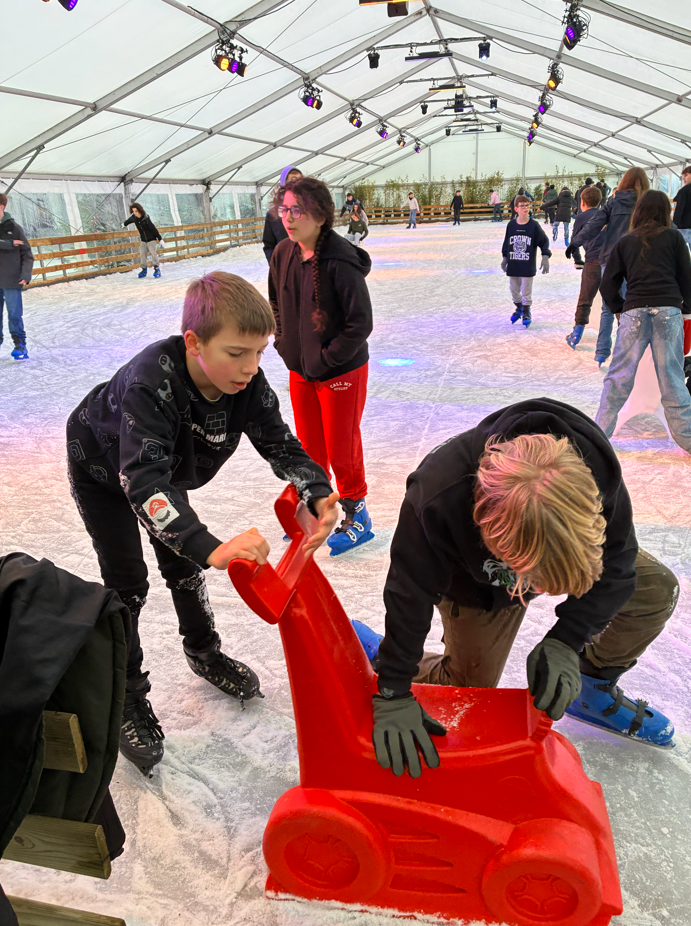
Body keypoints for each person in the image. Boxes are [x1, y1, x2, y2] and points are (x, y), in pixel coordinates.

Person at [66, 271, 339, 775]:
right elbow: (143, 484)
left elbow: (279, 442)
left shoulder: (247, 383)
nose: (250, 367)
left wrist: (316, 489)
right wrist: (209, 545)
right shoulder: (151, 384)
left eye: (260, 352)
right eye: (236, 353)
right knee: (128, 583)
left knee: (183, 568)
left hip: (161, 471)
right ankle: (127, 695)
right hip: (103, 470)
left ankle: (204, 652)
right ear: (194, 342)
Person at [358, 398, 679, 778]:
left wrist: (566, 640)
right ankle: (378, 650)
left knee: (657, 590)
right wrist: (393, 688)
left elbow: (619, 563)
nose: (536, 592)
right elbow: (408, 593)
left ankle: (593, 684)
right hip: (474, 582)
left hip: (565, 546)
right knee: (470, 688)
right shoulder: (436, 496)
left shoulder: (595, 466)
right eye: (532, 580)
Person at [269, 176, 374, 556]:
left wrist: (327, 358)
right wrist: (285, 346)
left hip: (341, 371)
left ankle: (358, 512)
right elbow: (276, 304)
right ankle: (318, 507)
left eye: (297, 210)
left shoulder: (340, 260)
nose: (288, 218)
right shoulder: (283, 253)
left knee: (341, 447)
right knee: (310, 446)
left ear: (320, 215)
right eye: (284, 209)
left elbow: (360, 323)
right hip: (301, 370)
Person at [595, 190, 691, 453]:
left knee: (618, 378)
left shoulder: (626, 241)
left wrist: (619, 308)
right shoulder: (674, 238)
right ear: (665, 212)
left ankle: (597, 438)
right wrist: (686, 311)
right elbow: (687, 278)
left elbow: (607, 284)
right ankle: (688, 439)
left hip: (634, 313)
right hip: (668, 313)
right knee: (672, 380)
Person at [570, 166, 650, 366]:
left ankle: (602, 351)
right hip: (637, 261)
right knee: (633, 306)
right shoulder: (646, 203)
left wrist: (576, 241)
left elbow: (594, 224)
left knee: (608, 307)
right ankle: (628, 350)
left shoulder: (613, 202)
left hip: (611, 259)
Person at [501, 195, 551, 328]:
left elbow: (544, 242)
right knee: (514, 290)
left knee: (526, 290)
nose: (525, 208)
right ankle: (519, 308)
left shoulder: (533, 226)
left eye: (527, 205)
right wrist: (505, 257)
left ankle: (526, 311)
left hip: (527, 264)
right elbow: (507, 242)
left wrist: (545, 256)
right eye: (522, 205)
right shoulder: (511, 225)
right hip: (514, 263)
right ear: (516, 208)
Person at [564, 185, 605, 349]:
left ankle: (576, 333)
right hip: (610, 261)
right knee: (613, 299)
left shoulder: (582, 217)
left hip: (593, 261)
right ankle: (625, 332)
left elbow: (576, 239)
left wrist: (577, 259)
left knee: (585, 299)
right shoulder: (604, 214)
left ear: (582, 202)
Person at [0, 193, 33, 361]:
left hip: (11, 279)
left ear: (1, 207)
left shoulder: (14, 228)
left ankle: (20, 344)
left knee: (14, 314)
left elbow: (27, 254)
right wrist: (8, 244)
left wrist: (25, 274)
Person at [263, 165, 303, 264]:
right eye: (292, 182)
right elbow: (269, 245)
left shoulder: (309, 211)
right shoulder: (272, 215)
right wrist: (275, 265)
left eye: (300, 182)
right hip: (285, 265)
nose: (296, 186)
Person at [123, 203, 162, 279]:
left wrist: (160, 238)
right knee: (142, 255)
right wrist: (124, 224)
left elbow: (153, 228)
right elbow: (128, 221)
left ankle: (157, 269)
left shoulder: (146, 218)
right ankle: (144, 270)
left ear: (140, 210)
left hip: (151, 239)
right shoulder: (134, 218)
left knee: (153, 253)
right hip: (143, 240)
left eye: (136, 211)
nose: (135, 213)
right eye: (133, 211)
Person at [672, 164, 691, 249]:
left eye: (686, 175)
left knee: (679, 251)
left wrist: (674, 225)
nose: (683, 178)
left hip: (684, 227)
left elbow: (679, 210)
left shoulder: (684, 191)